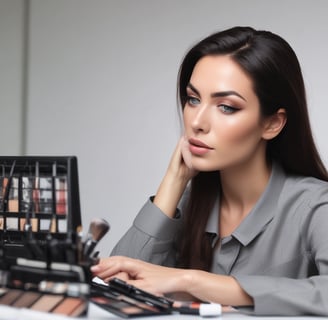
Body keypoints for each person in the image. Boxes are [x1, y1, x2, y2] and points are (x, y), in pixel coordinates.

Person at [91, 26, 328, 316]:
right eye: (193, 99)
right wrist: (173, 182)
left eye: (226, 107)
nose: (198, 121)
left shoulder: (315, 206)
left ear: (272, 123)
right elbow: (116, 290)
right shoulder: (191, 203)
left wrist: (194, 281)